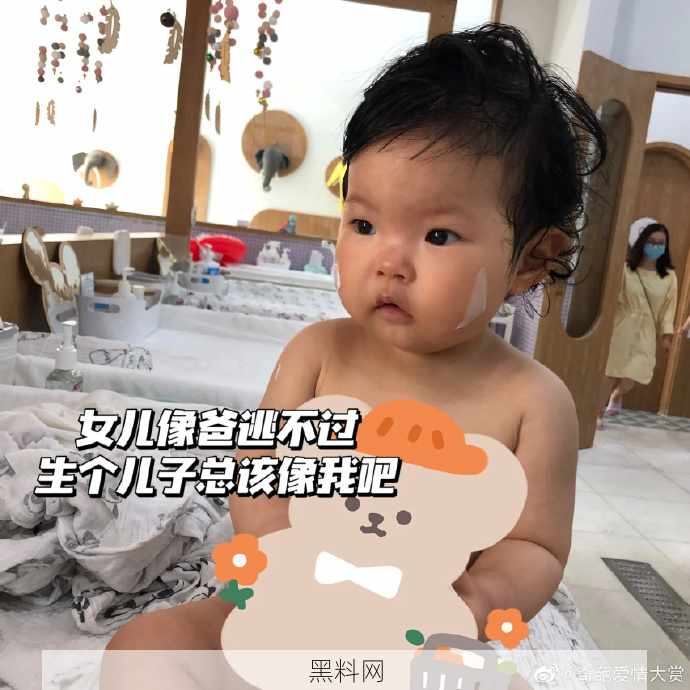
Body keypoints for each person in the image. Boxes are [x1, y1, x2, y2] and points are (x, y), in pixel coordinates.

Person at [103, 23, 606, 675]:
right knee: (146, 646)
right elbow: (258, 471)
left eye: (439, 235)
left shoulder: (534, 402)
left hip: (422, 630)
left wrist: (481, 597)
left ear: (532, 260)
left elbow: (535, 545)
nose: (388, 261)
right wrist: (280, 548)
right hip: (288, 599)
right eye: (364, 224)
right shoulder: (316, 353)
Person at [599, 219, 678, 424]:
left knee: (633, 374)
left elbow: (669, 308)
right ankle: (596, 414)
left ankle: (617, 394)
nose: (656, 246)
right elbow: (612, 298)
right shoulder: (626, 269)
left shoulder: (669, 276)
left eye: (661, 243)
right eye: (652, 241)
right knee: (611, 371)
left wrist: (666, 335)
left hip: (647, 331)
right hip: (622, 326)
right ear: (642, 242)